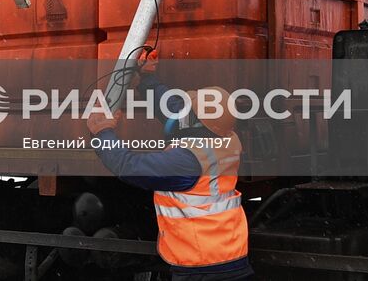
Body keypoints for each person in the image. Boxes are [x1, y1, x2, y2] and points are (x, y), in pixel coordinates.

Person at [87, 87, 253, 281]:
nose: (180, 113)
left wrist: (103, 133)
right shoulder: (230, 140)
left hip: (201, 266)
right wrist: (148, 81)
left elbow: (129, 167)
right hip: (231, 256)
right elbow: (174, 110)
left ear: (195, 121)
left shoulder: (187, 160)